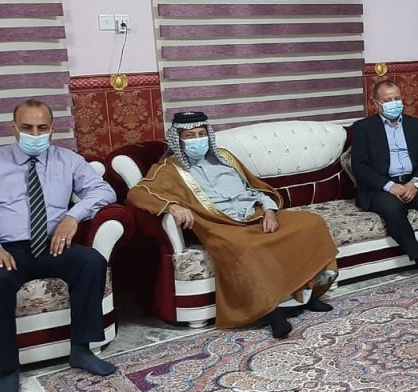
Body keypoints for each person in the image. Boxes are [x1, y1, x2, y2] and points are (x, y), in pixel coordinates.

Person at [0, 99, 118, 392]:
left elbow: (103, 191)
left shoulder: (68, 160)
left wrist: (73, 216)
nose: (35, 134)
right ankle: (7, 369)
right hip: (2, 247)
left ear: (52, 128)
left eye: (42, 128)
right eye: (27, 127)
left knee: (91, 261)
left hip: (50, 244)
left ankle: (81, 350)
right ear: (14, 128)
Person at [127, 111, 338, 338]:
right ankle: (272, 311)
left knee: (311, 223)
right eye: (190, 136)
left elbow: (254, 188)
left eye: (201, 134)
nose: (198, 140)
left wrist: (269, 212)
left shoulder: (225, 157)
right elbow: (137, 194)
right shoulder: (168, 169)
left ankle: (308, 293)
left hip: (255, 214)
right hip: (219, 224)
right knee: (248, 248)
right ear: (178, 139)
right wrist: (172, 206)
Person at [350, 80, 418, 278]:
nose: (394, 104)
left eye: (397, 99)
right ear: (376, 104)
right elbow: (359, 167)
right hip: (380, 187)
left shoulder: (414, 125)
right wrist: (389, 186)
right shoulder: (363, 128)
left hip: (410, 181)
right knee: (393, 208)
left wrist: (415, 183)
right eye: (388, 100)